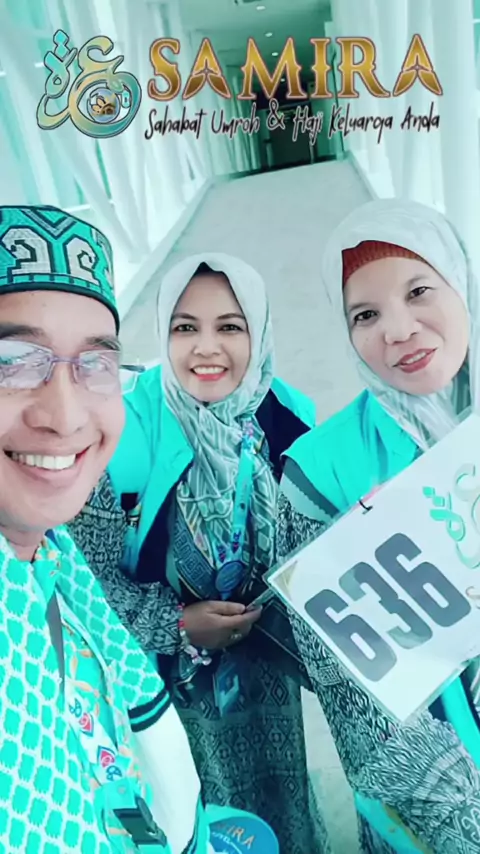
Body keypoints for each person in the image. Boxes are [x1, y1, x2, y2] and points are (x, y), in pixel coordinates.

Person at [0, 205, 258, 854]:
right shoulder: (120, 450)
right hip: (178, 666)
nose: (65, 415)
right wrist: (177, 624)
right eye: (12, 361)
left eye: (94, 362)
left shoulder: (49, 559)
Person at [70, 253, 329, 853]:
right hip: (166, 677)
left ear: (259, 332)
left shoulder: (287, 417)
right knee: (192, 804)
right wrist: (179, 625)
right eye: (185, 327)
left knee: (279, 786)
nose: (206, 348)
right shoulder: (121, 433)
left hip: (266, 665)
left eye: (230, 327)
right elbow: (88, 582)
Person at [276, 198, 480, 854]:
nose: (398, 330)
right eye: (365, 314)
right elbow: (349, 688)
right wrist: (461, 819)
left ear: (461, 282)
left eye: (418, 291)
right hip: (443, 806)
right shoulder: (320, 472)